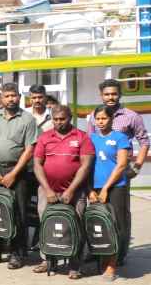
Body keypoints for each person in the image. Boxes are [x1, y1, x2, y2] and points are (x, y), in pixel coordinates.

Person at [85, 79, 148, 264]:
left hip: (120, 173)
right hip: (97, 174)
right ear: (101, 95)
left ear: (119, 94)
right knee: (97, 213)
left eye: (113, 93)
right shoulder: (93, 115)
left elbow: (144, 141)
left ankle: (119, 253)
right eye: (106, 94)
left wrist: (136, 167)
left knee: (120, 215)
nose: (110, 97)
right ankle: (97, 249)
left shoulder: (131, 116)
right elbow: (90, 142)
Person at [32, 105, 94, 280]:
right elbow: (37, 165)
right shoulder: (44, 137)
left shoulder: (82, 137)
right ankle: (47, 260)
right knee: (47, 224)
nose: (59, 123)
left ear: (70, 118)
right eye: (56, 119)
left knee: (76, 225)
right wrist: (48, 189)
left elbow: (86, 166)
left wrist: (71, 190)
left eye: (62, 119)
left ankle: (75, 264)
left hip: (75, 191)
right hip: (47, 191)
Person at [0, 83, 37, 269]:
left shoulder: (27, 119)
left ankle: (17, 253)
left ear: (19, 97)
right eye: (7, 96)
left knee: (18, 212)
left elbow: (29, 149)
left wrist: (14, 173)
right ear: (1, 98)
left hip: (17, 172)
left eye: (14, 95)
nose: (10, 99)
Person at [88, 105, 130, 281]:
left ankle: (112, 266)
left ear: (112, 119)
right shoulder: (90, 138)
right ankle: (100, 258)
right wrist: (90, 189)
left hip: (115, 188)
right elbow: (85, 166)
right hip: (94, 189)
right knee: (98, 224)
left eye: (104, 118)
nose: (100, 122)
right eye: (98, 119)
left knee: (115, 225)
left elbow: (121, 165)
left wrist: (105, 188)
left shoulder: (120, 137)